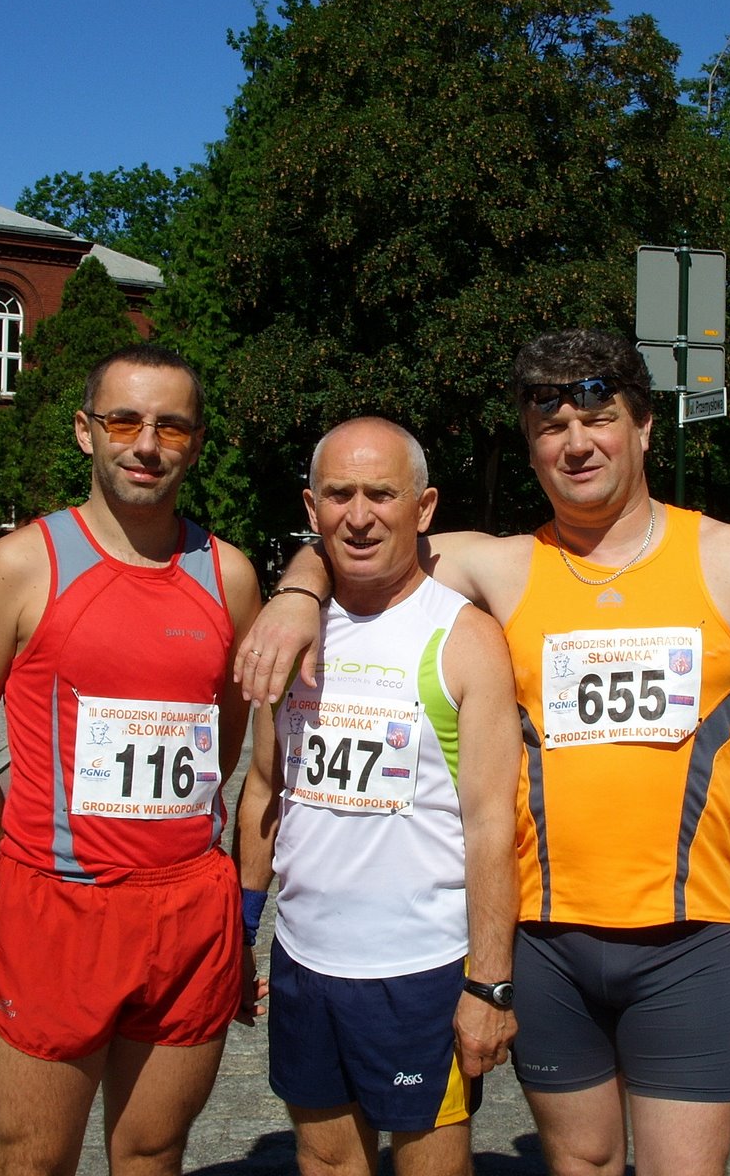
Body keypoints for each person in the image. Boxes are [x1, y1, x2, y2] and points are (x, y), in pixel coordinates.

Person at [237, 329, 730, 1176]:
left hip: (685, 938)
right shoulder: (502, 565)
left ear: (644, 426)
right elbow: (360, 534)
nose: (576, 444)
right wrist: (297, 591)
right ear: (532, 446)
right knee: (581, 1162)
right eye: (551, 429)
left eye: (598, 419)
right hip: (546, 941)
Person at [0, 343, 263, 1176]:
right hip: (58, 909)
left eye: (171, 427)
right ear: (86, 431)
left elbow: (221, 741)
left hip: (189, 913)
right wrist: (15, 867)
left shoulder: (228, 576)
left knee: (153, 1151)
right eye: (124, 421)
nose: (146, 444)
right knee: (33, 1157)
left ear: (195, 442)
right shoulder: (21, 565)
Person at [236, 417, 521, 1176]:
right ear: (312, 507)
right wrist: (241, 929)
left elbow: (492, 826)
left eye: (381, 495)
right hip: (306, 962)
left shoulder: (462, 637)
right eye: (339, 495)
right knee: (326, 1161)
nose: (359, 516)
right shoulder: (289, 631)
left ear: (423, 508)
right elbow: (265, 786)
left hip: (422, 970)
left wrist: (489, 984)